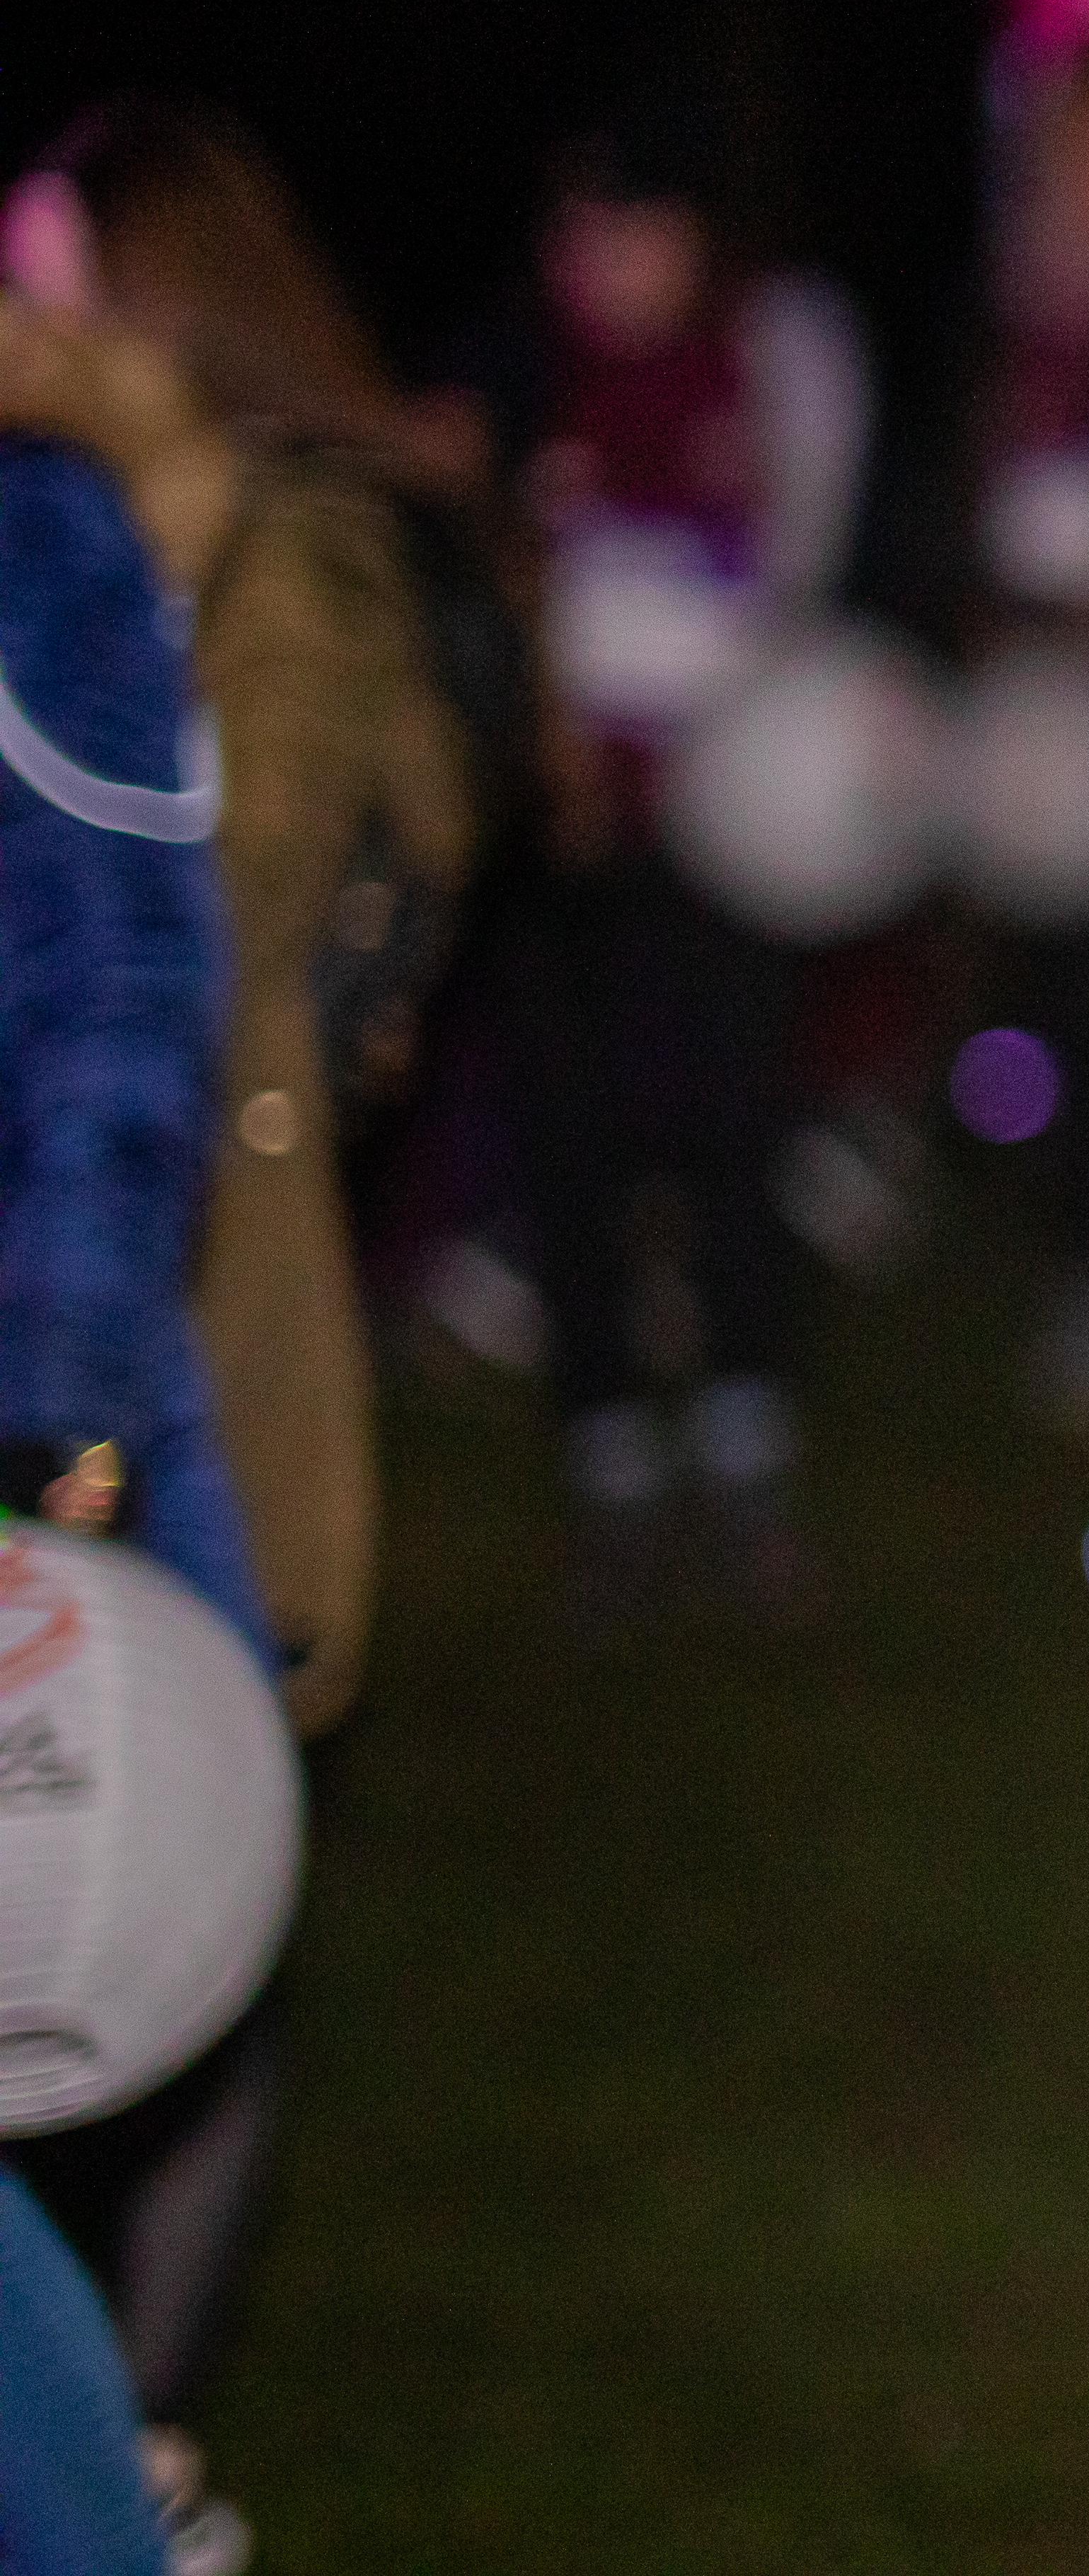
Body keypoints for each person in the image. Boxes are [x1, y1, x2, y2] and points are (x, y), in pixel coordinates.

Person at [5, 104, 483, 1735]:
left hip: (205, 1229)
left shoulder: (289, 547)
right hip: (128, 1213)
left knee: (167, 1762)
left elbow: (214, 896)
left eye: (53, 294)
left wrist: (170, 517)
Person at [0, 377, 275, 2576]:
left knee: (129, 1942)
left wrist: (66, 1411)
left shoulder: (39, 543)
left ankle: (115, 2482)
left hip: (30, 1398)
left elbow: (118, 987)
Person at [489, 94, 873, 1615]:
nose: (604, 257)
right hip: (564, 827)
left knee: (731, 1122)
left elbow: (800, 573)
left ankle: (744, 1438)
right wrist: (541, 727)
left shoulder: (773, 354)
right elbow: (476, 574)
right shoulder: (518, 372)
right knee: (569, 1133)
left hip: (727, 815)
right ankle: (610, 1462)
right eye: (579, 226)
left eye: (635, 223)